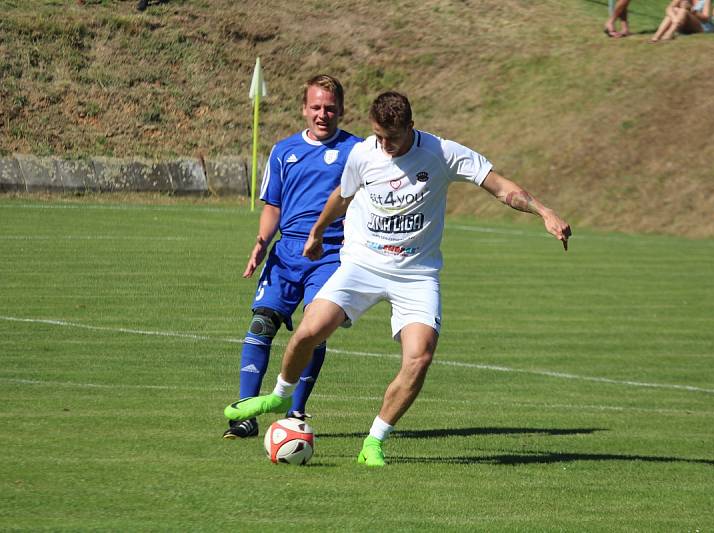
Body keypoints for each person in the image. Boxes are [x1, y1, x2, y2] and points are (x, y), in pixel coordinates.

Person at [224, 91, 571, 465]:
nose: (385, 145)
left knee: (419, 356)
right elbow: (342, 195)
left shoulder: (442, 153)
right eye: (379, 136)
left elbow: (502, 187)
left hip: (416, 275)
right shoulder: (364, 152)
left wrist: (543, 210)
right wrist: (318, 232)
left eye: (392, 137)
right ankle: (280, 394)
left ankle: (374, 441)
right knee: (309, 330)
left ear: (410, 127)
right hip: (362, 265)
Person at [222, 75, 362, 439]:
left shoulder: (358, 152)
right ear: (304, 109)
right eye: (315, 107)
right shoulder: (284, 151)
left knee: (313, 330)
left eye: (330, 108)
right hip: (286, 253)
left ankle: (295, 410)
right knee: (260, 325)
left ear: (341, 110)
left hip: (332, 253)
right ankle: (245, 414)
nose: (322, 114)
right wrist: (261, 241)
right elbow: (273, 206)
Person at [649, 0, 714, 43]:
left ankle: (669, 34)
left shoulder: (706, 1)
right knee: (674, 10)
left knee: (683, 11)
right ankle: (657, 36)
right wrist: (674, 18)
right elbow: (669, 8)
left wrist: (691, 10)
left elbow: (706, 19)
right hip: (683, 23)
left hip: (702, 26)